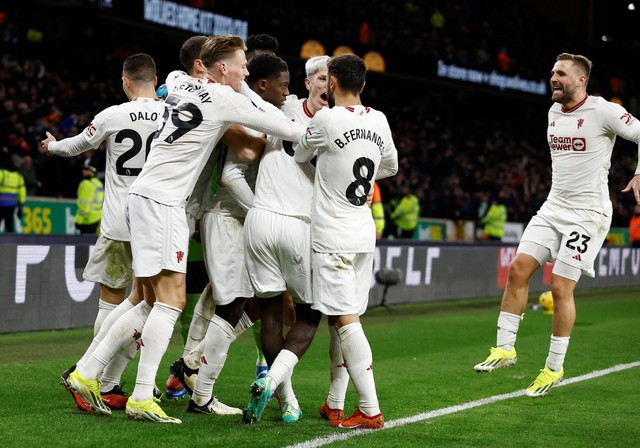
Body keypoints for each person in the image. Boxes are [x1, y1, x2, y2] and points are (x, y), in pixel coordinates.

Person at [67, 34, 305, 424]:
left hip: (142, 196)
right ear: (223, 69)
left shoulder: (178, 80)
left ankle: (86, 373)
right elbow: (289, 129)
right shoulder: (226, 99)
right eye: (242, 65)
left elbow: (180, 81)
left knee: (146, 300)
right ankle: (141, 395)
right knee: (170, 302)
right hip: (164, 204)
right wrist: (245, 89)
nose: (246, 71)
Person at [474, 53, 640, 398]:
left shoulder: (603, 111)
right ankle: (505, 349)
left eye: (561, 73)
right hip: (553, 208)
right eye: (552, 72)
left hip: (588, 214)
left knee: (561, 287)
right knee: (518, 269)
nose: (553, 78)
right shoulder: (552, 111)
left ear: (581, 80)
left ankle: (553, 367)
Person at [246, 54, 399, 430]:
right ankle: (334, 402)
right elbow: (390, 166)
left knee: (344, 321)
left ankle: (368, 408)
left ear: (331, 83)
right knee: (342, 318)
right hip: (364, 231)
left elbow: (299, 153)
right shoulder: (379, 119)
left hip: (332, 235)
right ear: (363, 85)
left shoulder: (326, 119)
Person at [41, 53, 165, 410]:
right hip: (157, 223)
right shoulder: (172, 115)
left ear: (126, 82)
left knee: (112, 301)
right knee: (149, 303)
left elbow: (77, 145)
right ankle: (104, 379)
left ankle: (92, 376)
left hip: (118, 224)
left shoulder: (112, 114)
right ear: (155, 81)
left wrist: (51, 146)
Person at [242, 55, 329, 424]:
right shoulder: (337, 123)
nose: (327, 84)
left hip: (258, 220)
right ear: (308, 82)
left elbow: (245, 93)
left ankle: (285, 399)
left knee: (272, 314)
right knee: (311, 313)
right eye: (322, 77)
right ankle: (275, 381)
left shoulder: (280, 105)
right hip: (297, 224)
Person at [74, 159, 104, 234]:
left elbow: (85, 205)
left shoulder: (86, 184)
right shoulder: (99, 183)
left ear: (92, 171)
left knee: (84, 244)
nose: (83, 171)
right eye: (83, 169)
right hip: (97, 218)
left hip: (86, 220)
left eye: (86, 169)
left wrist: (78, 220)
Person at [0, 154, 26, 233]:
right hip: (11, 206)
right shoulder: (19, 177)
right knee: (9, 226)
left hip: (1, 205)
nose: (19, 166)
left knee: (8, 225)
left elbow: (22, 192)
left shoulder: (2, 173)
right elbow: (22, 193)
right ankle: (10, 244)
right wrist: (21, 206)